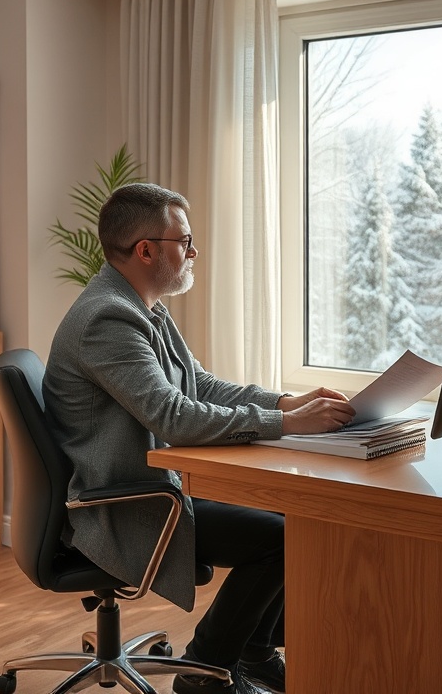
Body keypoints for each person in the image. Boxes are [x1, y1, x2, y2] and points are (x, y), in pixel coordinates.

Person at [42, 182, 354, 694]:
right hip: (124, 505)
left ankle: (253, 654)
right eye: (184, 241)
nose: (193, 252)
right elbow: (174, 417)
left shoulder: (142, 307)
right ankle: (202, 670)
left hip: (155, 487)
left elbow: (199, 386)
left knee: (292, 515)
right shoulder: (107, 319)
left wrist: (285, 403)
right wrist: (288, 425)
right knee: (279, 538)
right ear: (146, 250)